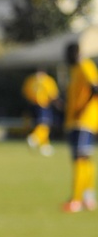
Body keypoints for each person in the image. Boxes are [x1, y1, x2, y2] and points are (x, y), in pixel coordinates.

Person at [60, 41, 97, 212]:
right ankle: (89, 198)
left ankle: (76, 200)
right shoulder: (74, 70)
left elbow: (95, 88)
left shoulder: (84, 65)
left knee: (79, 158)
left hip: (84, 120)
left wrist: (83, 108)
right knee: (85, 158)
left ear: (74, 53)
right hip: (76, 121)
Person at [22, 68, 59, 155]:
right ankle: (34, 138)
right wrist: (58, 103)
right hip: (43, 104)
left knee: (43, 125)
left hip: (33, 105)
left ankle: (44, 146)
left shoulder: (31, 79)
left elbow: (25, 92)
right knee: (44, 124)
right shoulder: (47, 81)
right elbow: (52, 94)